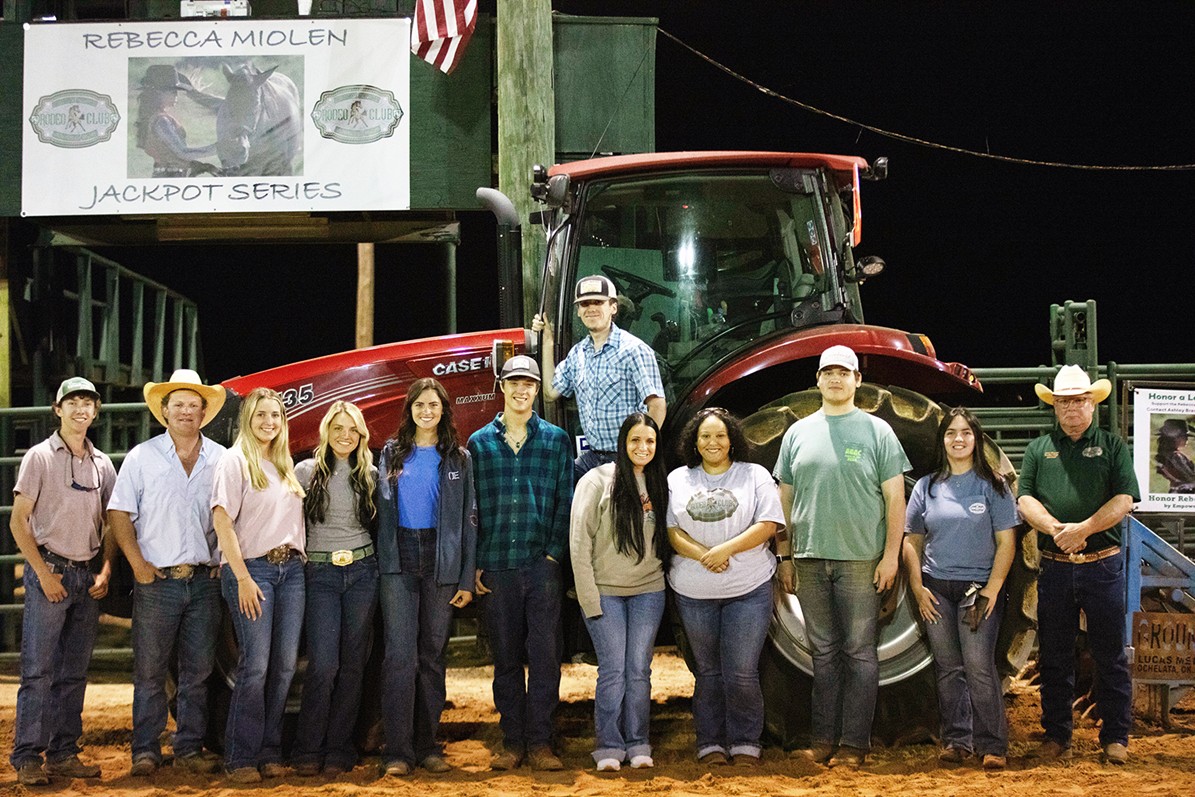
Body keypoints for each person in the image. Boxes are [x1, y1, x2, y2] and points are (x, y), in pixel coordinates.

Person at [773, 345, 911, 768]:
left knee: (859, 652)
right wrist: (785, 556)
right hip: (811, 559)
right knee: (824, 654)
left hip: (859, 561)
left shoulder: (877, 432)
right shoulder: (797, 433)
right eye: (828, 372)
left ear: (857, 381)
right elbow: (784, 499)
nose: (835, 379)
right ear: (817, 380)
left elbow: (895, 499)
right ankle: (822, 740)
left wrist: (890, 557)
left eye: (844, 372)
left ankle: (854, 744)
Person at [107, 369, 228, 777]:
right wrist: (137, 564)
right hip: (157, 580)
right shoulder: (142, 457)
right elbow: (120, 512)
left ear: (203, 412)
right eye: (178, 404)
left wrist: (222, 561)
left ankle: (189, 746)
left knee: (198, 671)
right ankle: (145, 748)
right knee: (151, 671)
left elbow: (234, 515)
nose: (186, 411)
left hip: (204, 578)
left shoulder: (222, 459)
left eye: (194, 405)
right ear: (165, 411)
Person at [1018, 365, 1138, 765]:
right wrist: (1056, 529)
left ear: (1092, 403)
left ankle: (1116, 737)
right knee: (1053, 654)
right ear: (1055, 407)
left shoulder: (1112, 445)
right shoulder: (1039, 449)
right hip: (1054, 565)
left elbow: (1125, 500)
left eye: (1079, 400)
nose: (1072, 407)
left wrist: (1084, 528)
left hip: (1102, 564)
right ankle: (1057, 735)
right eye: (1064, 401)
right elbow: (1024, 499)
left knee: (1110, 654)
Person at [8, 377, 116, 787]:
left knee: (73, 672)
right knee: (38, 670)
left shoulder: (102, 463)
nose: (80, 410)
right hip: (51, 571)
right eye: (72, 402)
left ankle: (64, 751)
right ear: (58, 409)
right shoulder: (39, 457)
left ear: (95, 411)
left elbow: (112, 523)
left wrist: (104, 569)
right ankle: (28, 755)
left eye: (87, 403)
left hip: (84, 574)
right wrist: (41, 573)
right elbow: (19, 521)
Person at [468, 355, 573, 771]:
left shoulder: (556, 440)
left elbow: (565, 501)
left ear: (535, 388)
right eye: (514, 382)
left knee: (546, 657)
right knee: (506, 659)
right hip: (496, 566)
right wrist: (475, 562)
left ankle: (542, 742)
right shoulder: (478, 443)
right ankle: (513, 742)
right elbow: (471, 509)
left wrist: (553, 554)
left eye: (529, 383)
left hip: (540, 565)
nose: (521, 389)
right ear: (502, 386)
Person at [666, 407, 784, 767]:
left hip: (748, 587)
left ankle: (746, 741)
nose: (713, 442)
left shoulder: (754, 475)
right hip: (694, 592)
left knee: (742, 670)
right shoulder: (677, 479)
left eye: (719, 435)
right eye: (705, 436)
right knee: (708, 671)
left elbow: (768, 524)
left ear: (731, 438)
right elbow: (672, 531)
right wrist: (705, 555)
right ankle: (711, 742)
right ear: (695, 442)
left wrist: (725, 550)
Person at [902, 407, 1017, 770]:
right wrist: (918, 587)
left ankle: (992, 745)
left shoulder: (994, 486)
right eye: (951, 433)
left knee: (979, 665)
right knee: (948, 667)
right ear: (943, 441)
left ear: (976, 439)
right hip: (936, 589)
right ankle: (956, 741)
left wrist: (992, 590)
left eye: (966, 432)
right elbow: (912, 541)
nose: (958, 439)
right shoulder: (926, 486)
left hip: (976, 590)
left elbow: (1007, 543)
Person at [376, 379, 476, 776]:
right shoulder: (390, 453)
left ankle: (428, 745)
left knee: (432, 657)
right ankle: (397, 751)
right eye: (420, 405)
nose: (427, 411)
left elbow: (470, 521)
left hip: (441, 561)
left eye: (434, 405)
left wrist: (466, 579)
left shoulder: (459, 458)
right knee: (400, 657)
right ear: (410, 409)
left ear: (444, 410)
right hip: (398, 560)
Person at [211, 387, 306, 783]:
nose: (269, 423)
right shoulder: (234, 462)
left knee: (284, 667)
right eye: (261, 415)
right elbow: (222, 522)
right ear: (247, 419)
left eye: (275, 416)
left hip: (292, 572)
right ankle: (240, 755)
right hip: (254, 572)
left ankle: (268, 749)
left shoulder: (284, 464)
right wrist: (243, 578)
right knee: (256, 665)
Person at [570, 413, 670, 772]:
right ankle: (609, 745)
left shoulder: (660, 484)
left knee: (639, 670)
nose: (642, 448)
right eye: (635, 441)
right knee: (612, 670)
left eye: (650, 442)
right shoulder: (597, 481)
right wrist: (589, 599)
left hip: (649, 591)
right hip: (605, 593)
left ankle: (638, 742)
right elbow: (579, 544)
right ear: (622, 443)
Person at [291, 401, 378, 777]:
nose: (346, 435)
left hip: (362, 571)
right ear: (327, 430)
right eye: (339, 428)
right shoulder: (305, 471)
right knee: (324, 666)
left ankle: (340, 748)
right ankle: (308, 748)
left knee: (353, 666)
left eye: (353, 430)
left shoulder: (371, 473)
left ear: (361, 435)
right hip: (321, 574)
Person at [532, 274, 666, 481]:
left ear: (613, 307)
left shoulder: (634, 350)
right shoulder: (578, 354)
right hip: (592, 457)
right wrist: (547, 342)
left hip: (624, 457)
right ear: (578, 311)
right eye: (585, 303)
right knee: (552, 481)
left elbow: (657, 406)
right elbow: (550, 392)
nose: (591, 308)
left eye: (598, 302)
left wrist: (640, 456)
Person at [135, 65, 218, 178]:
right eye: (173, 91)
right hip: (169, 176)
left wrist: (200, 165)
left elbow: (170, 154)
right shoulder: (161, 121)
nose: (176, 95)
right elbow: (182, 153)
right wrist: (218, 147)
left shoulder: (155, 117)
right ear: (159, 93)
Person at [1154, 418, 1195, 493]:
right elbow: (1190, 478)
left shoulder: (1164, 455)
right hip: (1185, 492)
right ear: (1174, 438)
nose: (1187, 439)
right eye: (1184, 436)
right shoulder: (1175, 457)